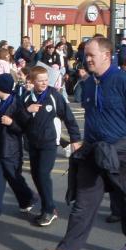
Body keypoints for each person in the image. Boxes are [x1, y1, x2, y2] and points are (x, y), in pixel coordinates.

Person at [42, 37, 126, 250]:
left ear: (107, 55)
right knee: (84, 202)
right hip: (94, 150)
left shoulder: (125, 81)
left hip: (122, 152)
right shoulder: (89, 84)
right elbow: (92, 117)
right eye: (86, 55)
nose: (87, 59)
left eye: (91, 55)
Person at [17, 66, 81, 227]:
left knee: (43, 174)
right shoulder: (26, 97)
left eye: (46, 80)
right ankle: (46, 206)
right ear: (32, 81)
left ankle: (50, 210)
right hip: (32, 143)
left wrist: (75, 139)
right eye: (40, 81)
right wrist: (27, 111)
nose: (44, 83)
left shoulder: (54, 96)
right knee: (36, 175)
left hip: (49, 142)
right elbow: (19, 120)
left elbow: (68, 117)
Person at [0, 74, 34, 221]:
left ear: (2, 88)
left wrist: (12, 123)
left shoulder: (16, 103)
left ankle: (27, 199)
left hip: (11, 150)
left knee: (14, 179)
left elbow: (24, 127)